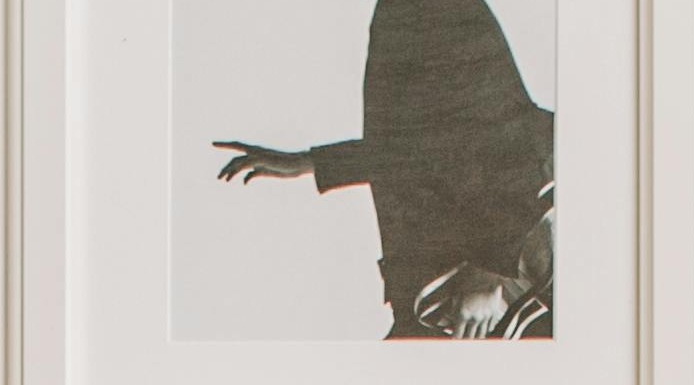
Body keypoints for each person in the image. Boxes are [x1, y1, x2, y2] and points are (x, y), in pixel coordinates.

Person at [209, 0, 559, 339]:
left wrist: (492, 273)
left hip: (487, 282)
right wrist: (309, 163)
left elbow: (510, 134)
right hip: (446, 276)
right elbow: (430, 144)